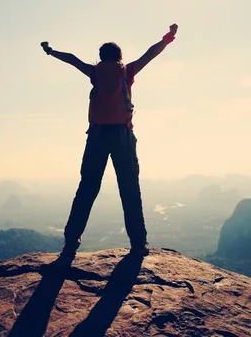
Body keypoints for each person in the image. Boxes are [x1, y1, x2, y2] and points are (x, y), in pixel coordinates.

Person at [40, 23, 178, 261]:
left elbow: (72, 59)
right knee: (129, 190)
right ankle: (138, 244)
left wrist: (51, 51)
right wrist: (168, 38)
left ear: (101, 57)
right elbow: (150, 53)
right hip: (122, 137)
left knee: (87, 189)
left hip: (96, 137)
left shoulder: (95, 72)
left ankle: (71, 242)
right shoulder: (127, 71)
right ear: (120, 56)